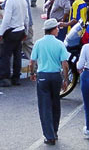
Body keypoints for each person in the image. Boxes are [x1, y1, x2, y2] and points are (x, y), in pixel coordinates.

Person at [30, 18, 71, 146]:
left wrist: (32, 73)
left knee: (44, 107)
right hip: (55, 76)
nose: (58, 30)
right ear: (53, 29)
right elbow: (65, 64)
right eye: (57, 28)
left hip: (42, 76)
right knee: (55, 104)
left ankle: (49, 135)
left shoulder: (38, 43)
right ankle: (55, 131)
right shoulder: (60, 44)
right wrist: (66, 79)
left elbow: (32, 61)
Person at [0, 0, 29, 88]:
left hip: (11, 31)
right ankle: (16, 77)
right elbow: (26, 17)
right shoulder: (23, 0)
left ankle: (4, 78)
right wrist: (26, 31)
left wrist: (0, 32)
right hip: (20, 30)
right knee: (17, 55)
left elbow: (6, 19)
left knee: (5, 55)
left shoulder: (10, 1)